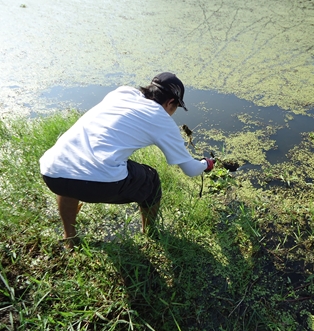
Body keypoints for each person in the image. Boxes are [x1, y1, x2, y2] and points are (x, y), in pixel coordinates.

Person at [39, 72, 215, 248]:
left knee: (71, 167)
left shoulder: (122, 93)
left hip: (52, 171)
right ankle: (151, 234)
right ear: (170, 103)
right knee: (151, 180)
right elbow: (190, 169)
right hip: (97, 182)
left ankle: (70, 238)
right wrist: (205, 163)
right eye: (175, 107)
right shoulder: (161, 118)